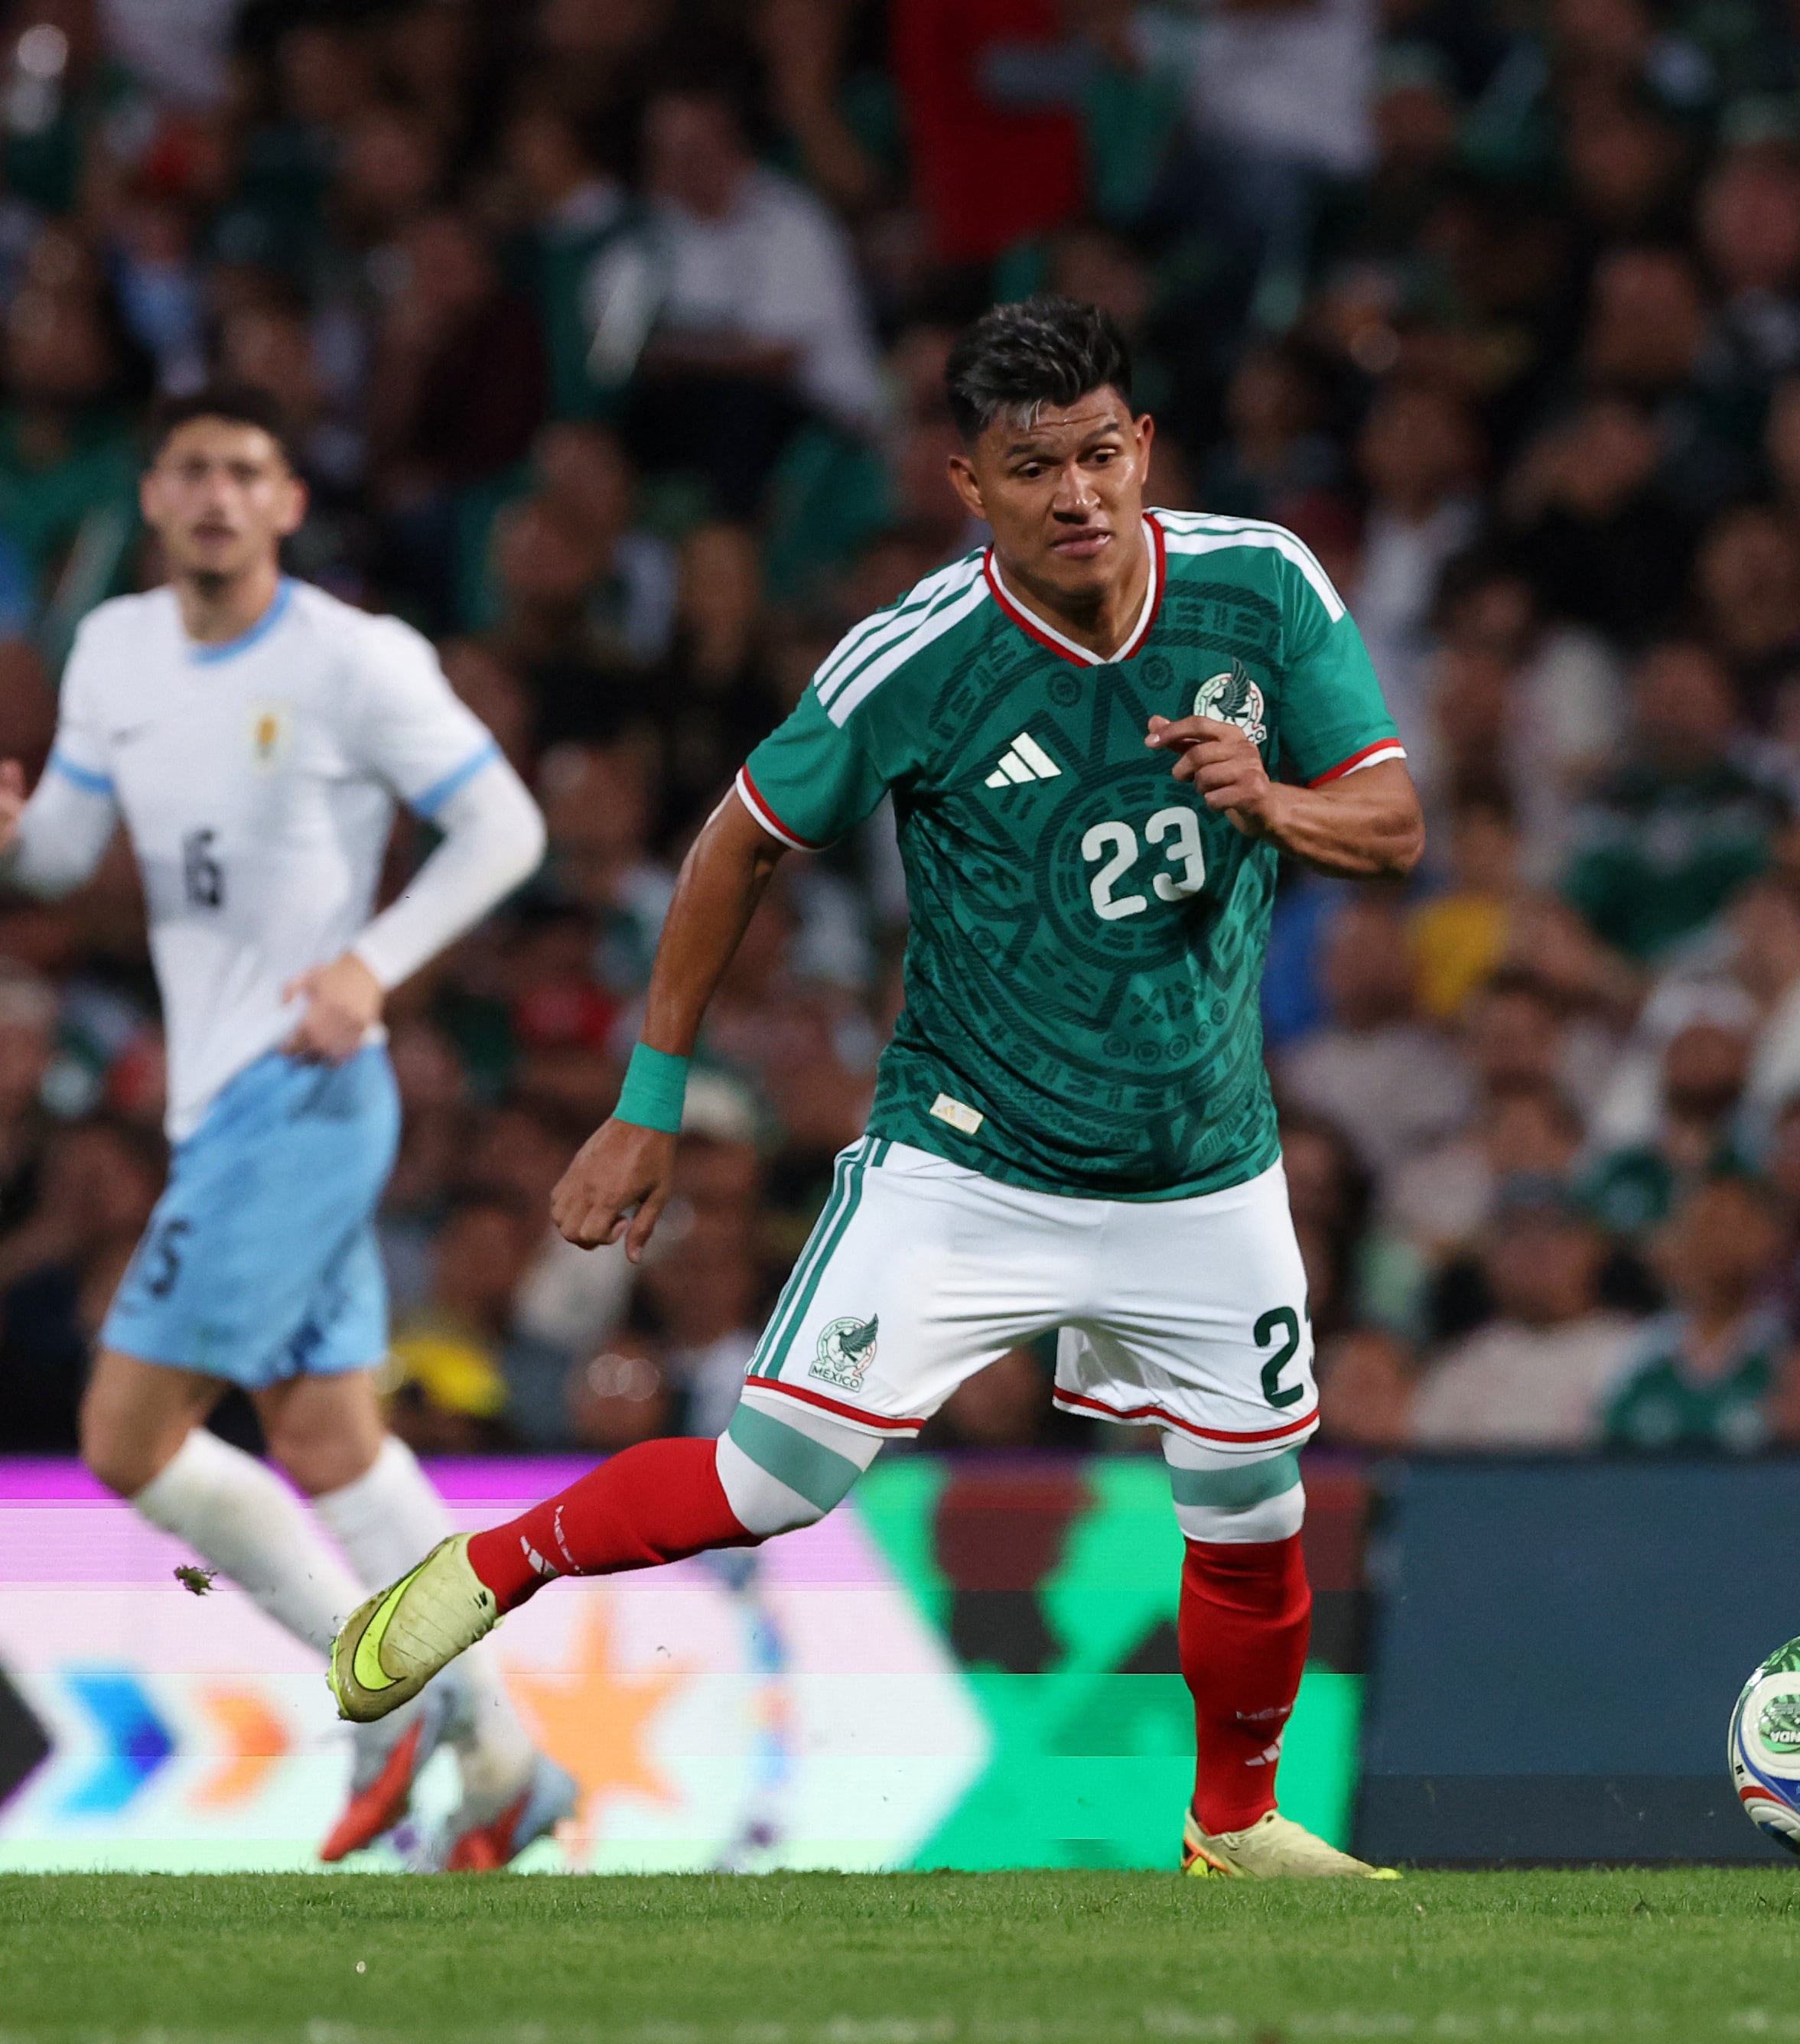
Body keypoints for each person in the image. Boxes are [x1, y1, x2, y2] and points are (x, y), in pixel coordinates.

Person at [328, 300, 1423, 1880]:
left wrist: (1271, 801)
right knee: (771, 1481)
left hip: (1203, 1163)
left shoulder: (1259, 585)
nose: (1078, 494)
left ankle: (1234, 1828)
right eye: (1032, 465)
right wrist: (650, 1094)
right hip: (967, 1162)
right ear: (966, 483)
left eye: (1102, 453)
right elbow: (736, 843)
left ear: (1146, 452)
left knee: (1251, 1509)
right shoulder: (920, 657)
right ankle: (489, 1567)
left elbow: (1389, 825)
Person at [0, 386, 559, 1868]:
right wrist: (15, 832)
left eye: (248, 471)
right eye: (189, 469)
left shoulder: (353, 659)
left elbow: (508, 826)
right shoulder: (115, 647)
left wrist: (373, 961)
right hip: (219, 1103)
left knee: (123, 1433)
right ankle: (504, 1755)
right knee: (326, 1438)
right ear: (152, 494)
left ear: (289, 504)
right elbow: (65, 844)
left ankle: (381, 1689)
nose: (216, 496)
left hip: (303, 1093)